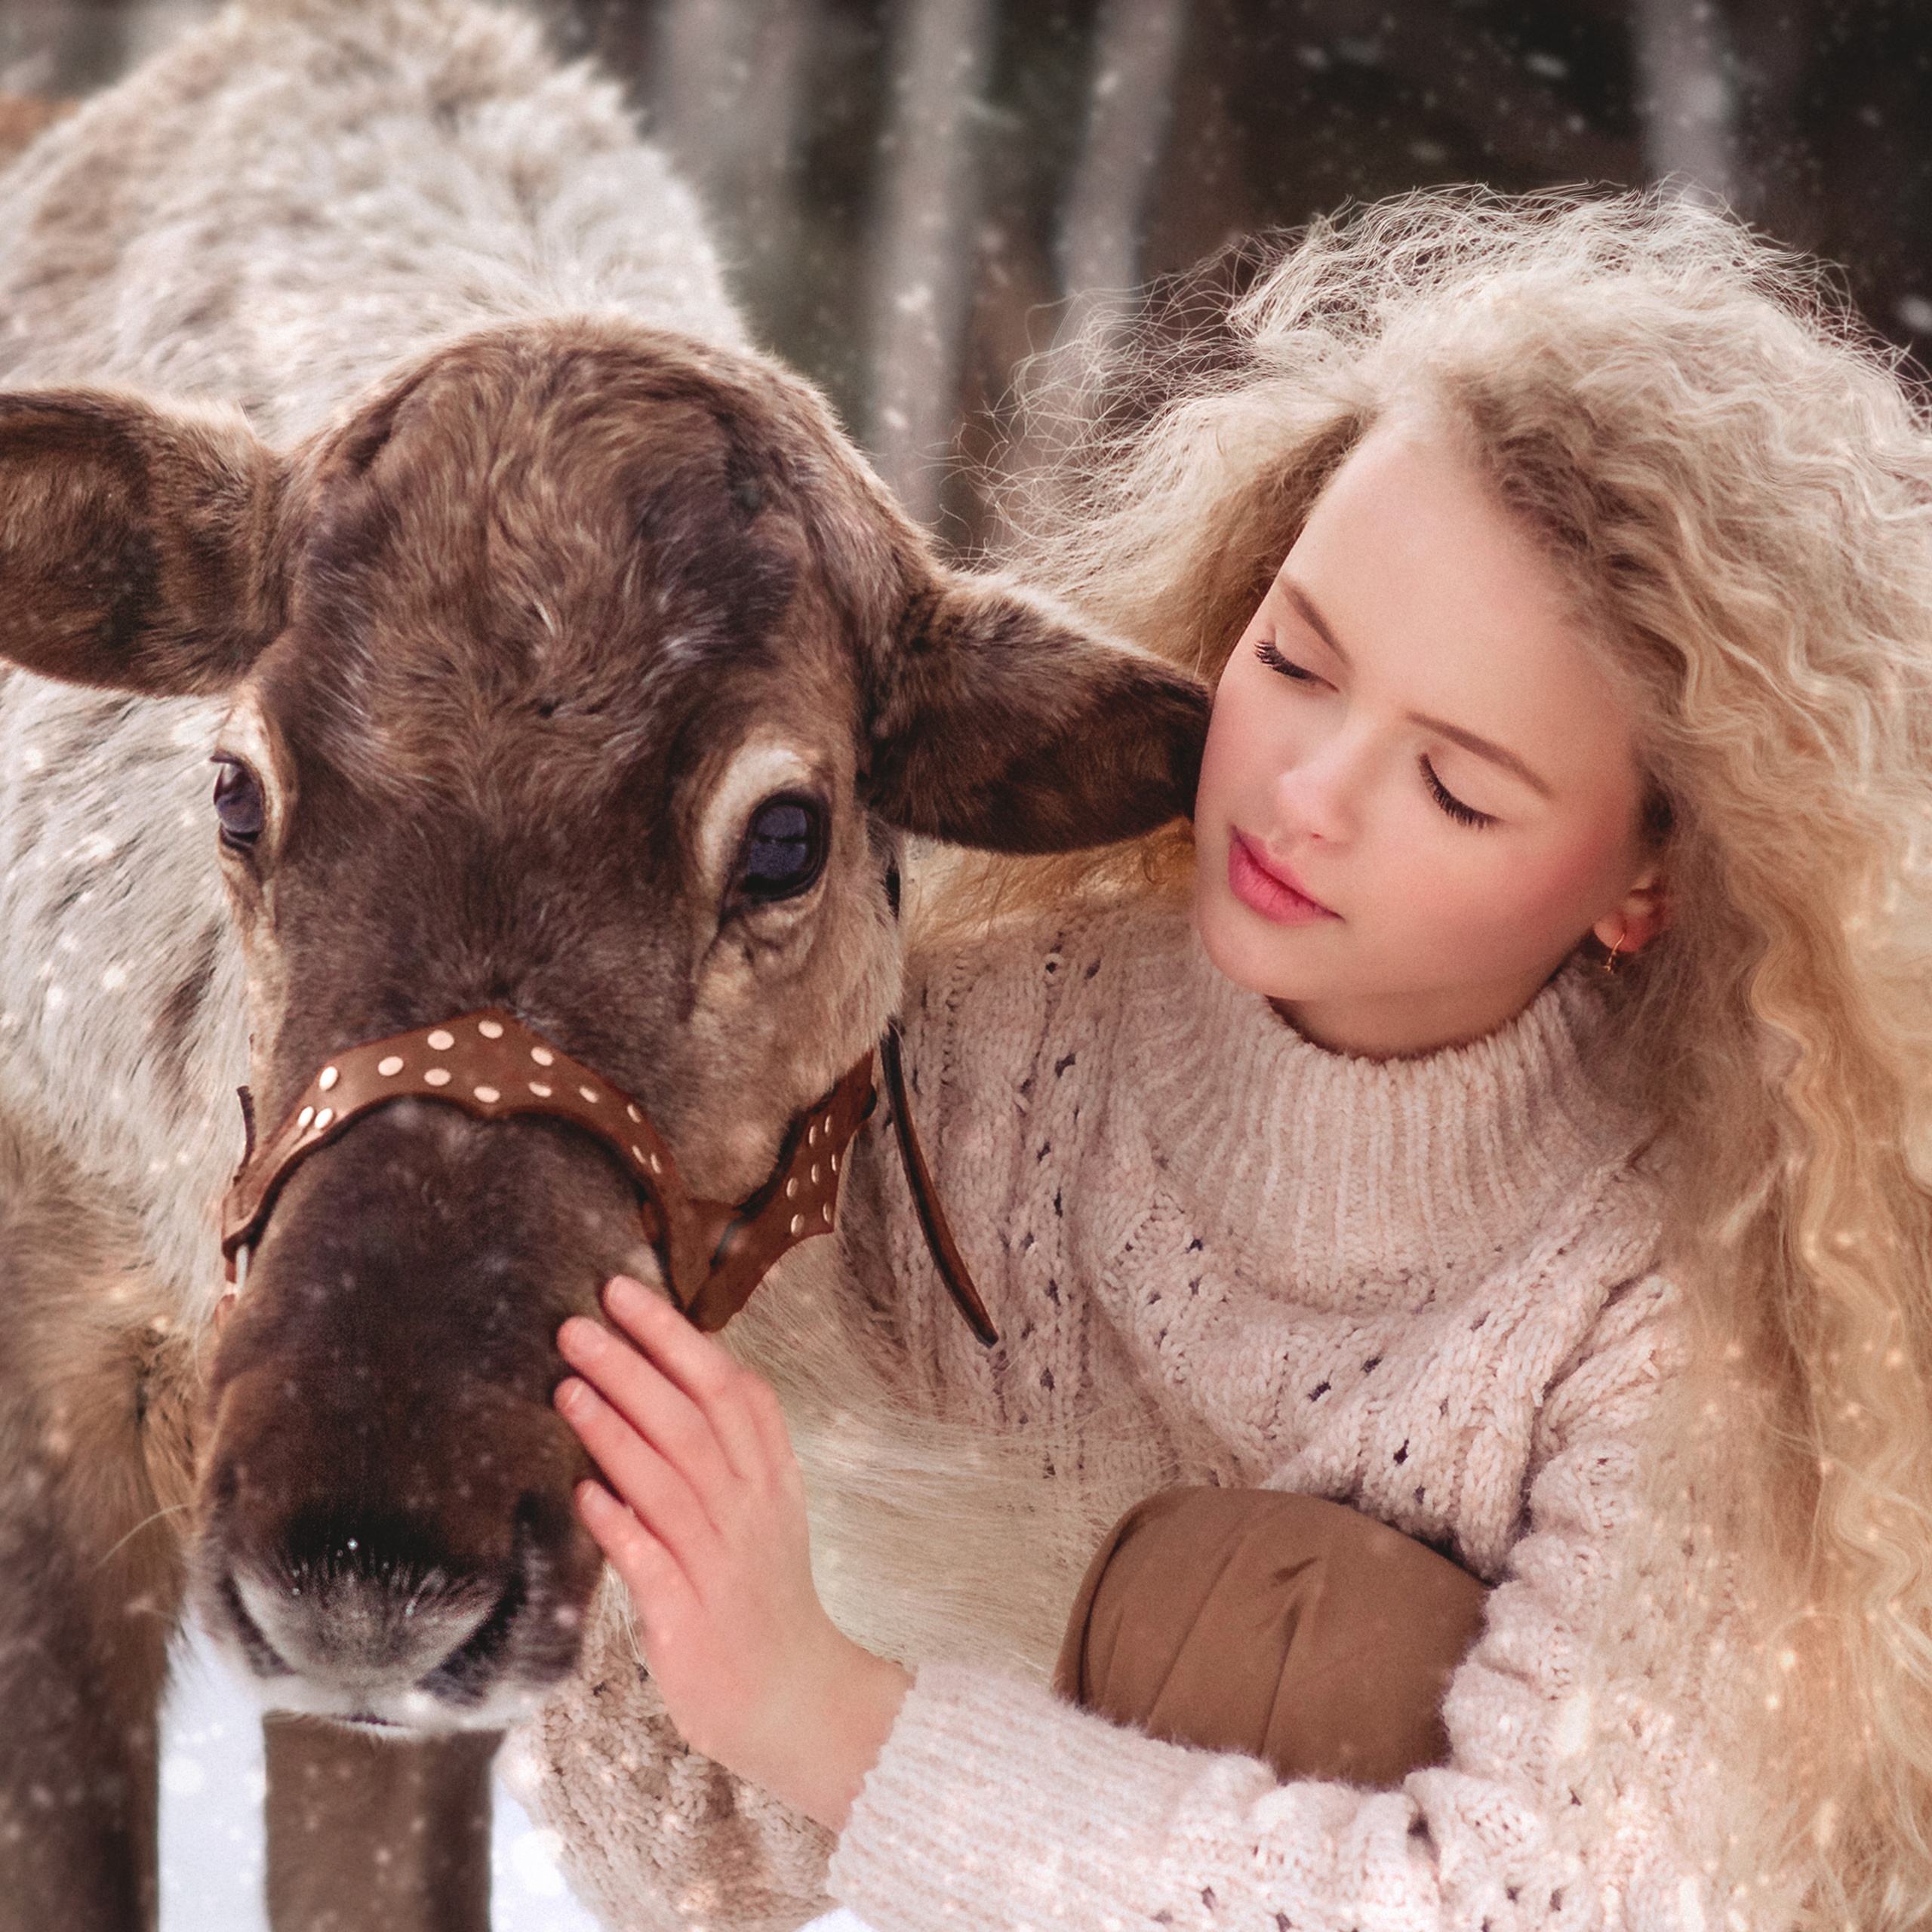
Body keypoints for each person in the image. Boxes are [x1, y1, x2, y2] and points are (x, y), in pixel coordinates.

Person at [508, 188, 1932, 1930]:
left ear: (1647, 881)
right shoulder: (963, 1050)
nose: (1303, 792)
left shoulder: (1688, 1290)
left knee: (1277, 1620)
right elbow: (666, 1842)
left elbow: (1525, 1904)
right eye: (1296, 657)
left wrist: (836, 1716)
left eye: (1453, 783)